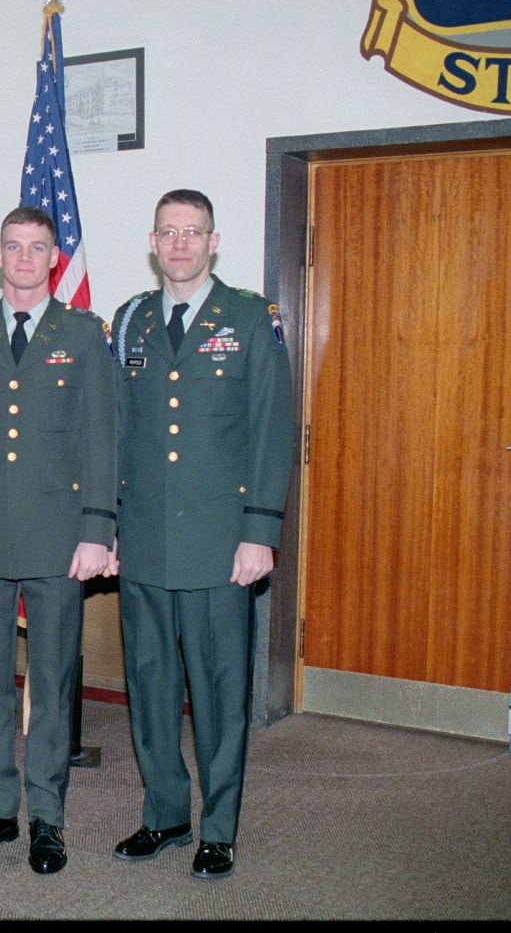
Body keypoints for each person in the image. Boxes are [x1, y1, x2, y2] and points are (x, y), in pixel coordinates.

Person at [109, 189, 293, 880]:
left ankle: (218, 826)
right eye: (168, 232)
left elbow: (270, 432)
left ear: (215, 241)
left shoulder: (250, 317)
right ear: (152, 243)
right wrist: (110, 524)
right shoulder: (128, 321)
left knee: (219, 690)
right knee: (150, 684)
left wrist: (260, 533)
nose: (180, 244)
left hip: (222, 543)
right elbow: (118, 431)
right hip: (145, 540)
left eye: (194, 232)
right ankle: (164, 811)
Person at [0, 206, 117, 875]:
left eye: (36, 247)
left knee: (51, 678)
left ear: (53, 259)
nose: (23, 258)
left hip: (57, 537)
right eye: (12, 246)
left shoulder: (82, 333)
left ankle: (47, 815)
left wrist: (98, 528)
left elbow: (101, 437)